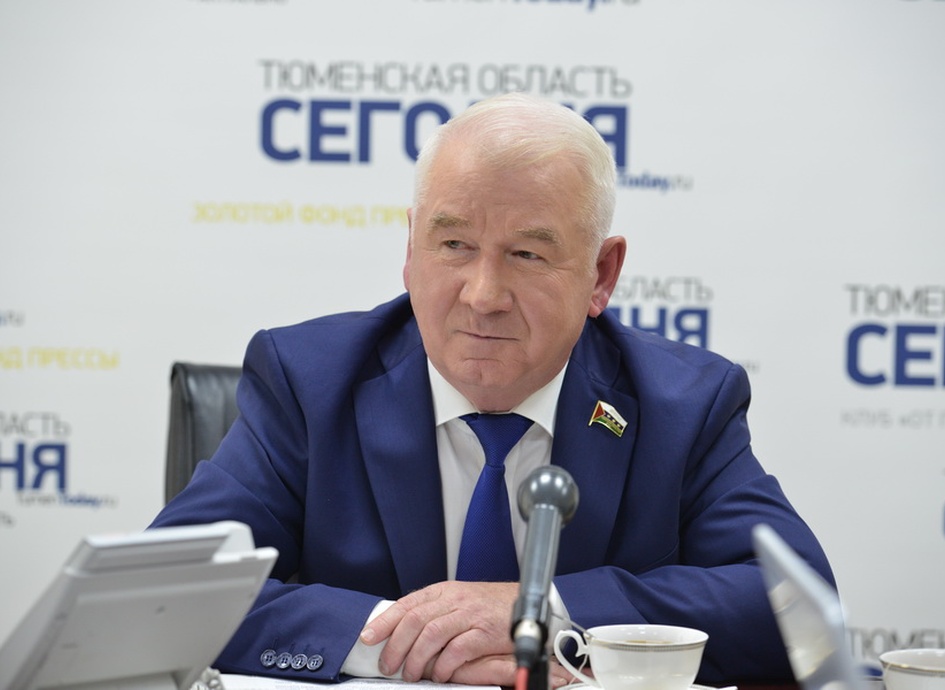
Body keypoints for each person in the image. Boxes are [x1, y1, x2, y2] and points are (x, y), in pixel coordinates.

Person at [151, 92, 834, 687]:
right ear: (411, 249)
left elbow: (793, 604)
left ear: (600, 274)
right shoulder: (308, 381)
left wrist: (546, 614)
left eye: (526, 254)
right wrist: (401, 641)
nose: (482, 296)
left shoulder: (684, 404)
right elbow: (170, 596)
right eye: (453, 246)